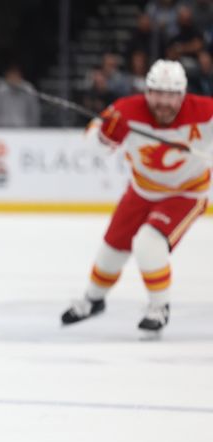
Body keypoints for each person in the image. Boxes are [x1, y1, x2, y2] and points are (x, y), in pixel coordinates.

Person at [61, 60, 211, 335]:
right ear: (147, 91)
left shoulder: (205, 112)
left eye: (171, 95)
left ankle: (159, 308)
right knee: (111, 250)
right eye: (157, 93)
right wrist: (105, 136)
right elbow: (91, 146)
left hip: (186, 193)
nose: (163, 102)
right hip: (141, 191)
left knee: (148, 244)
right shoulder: (126, 111)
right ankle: (93, 300)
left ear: (183, 94)